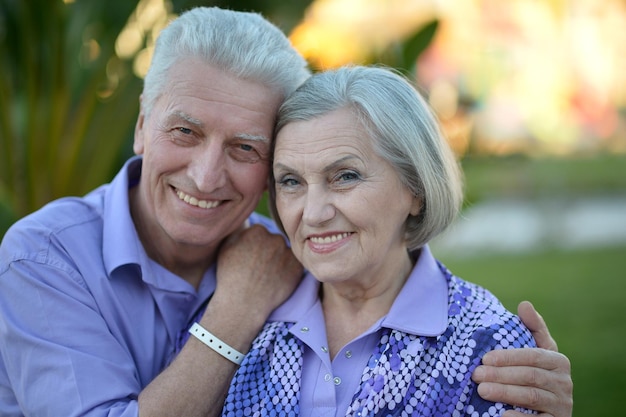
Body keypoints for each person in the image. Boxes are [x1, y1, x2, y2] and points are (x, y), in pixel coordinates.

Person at [0, 6, 571, 417]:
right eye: (185, 131)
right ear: (142, 124)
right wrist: (234, 313)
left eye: (246, 148)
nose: (205, 175)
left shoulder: (299, 265)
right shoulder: (44, 258)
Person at [196, 65, 566, 416]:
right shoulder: (244, 311)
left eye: (345, 176)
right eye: (291, 181)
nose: (312, 213)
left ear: (415, 189)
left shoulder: (487, 344)